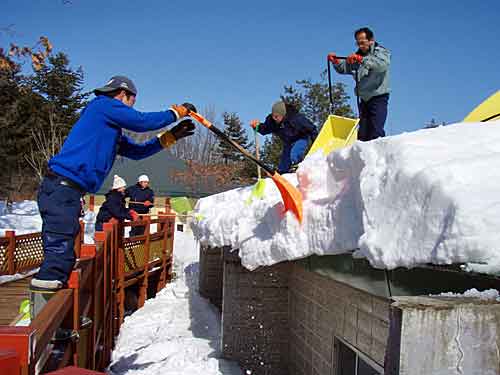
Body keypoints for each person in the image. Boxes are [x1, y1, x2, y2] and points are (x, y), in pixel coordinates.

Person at [32, 75, 197, 291]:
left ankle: (56, 303)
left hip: (69, 190)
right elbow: (141, 122)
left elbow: (138, 152)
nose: (130, 108)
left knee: (64, 246)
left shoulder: (108, 129)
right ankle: (46, 304)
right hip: (62, 187)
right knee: (60, 246)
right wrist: (175, 113)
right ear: (122, 94)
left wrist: (171, 136)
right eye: (131, 102)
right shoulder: (102, 106)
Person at [328, 27, 391, 141]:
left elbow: (381, 66)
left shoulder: (381, 52)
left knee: (376, 132)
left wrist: (362, 60)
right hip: (364, 100)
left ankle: (378, 157)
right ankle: (362, 157)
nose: (360, 46)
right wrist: (336, 62)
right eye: (358, 43)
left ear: (371, 40)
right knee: (362, 135)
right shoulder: (358, 56)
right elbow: (345, 68)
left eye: (362, 43)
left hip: (378, 97)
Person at [250, 101, 317, 173]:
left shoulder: (295, 118)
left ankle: (296, 168)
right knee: (284, 163)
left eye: (277, 116)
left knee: (294, 154)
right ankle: (282, 174)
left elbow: (312, 129)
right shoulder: (272, 122)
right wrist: (257, 126)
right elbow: (265, 129)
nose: (275, 118)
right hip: (288, 142)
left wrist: (316, 143)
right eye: (273, 116)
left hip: (301, 138)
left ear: (283, 114)